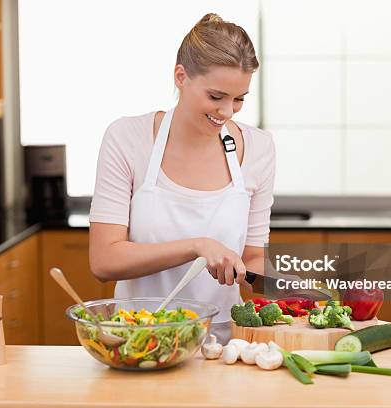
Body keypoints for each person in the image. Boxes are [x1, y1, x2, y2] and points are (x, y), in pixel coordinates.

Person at [88, 13, 275, 344]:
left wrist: (284, 283)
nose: (228, 111)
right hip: (138, 339)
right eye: (216, 97)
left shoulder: (258, 148)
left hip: (223, 345)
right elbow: (104, 260)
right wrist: (197, 247)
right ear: (181, 76)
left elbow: (251, 257)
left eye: (239, 99)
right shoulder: (127, 138)